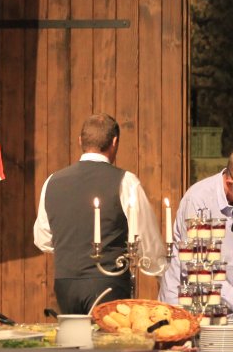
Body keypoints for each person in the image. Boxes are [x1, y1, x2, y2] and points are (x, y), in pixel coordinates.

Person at [33, 113, 163, 314]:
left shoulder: (52, 181)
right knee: (108, 336)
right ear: (115, 142)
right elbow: (146, 239)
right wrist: (161, 273)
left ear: (80, 141)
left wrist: (71, 249)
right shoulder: (126, 181)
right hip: (108, 283)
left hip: (65, 285)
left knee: (73, 335)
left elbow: (43, 240)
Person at [158, 149, 233, 336]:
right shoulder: (198, 199)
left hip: (228, 310)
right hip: (187, 304)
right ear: (230, 183)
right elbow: (195, 268)